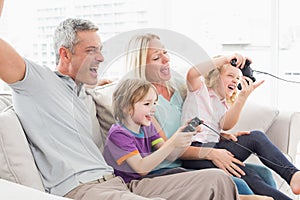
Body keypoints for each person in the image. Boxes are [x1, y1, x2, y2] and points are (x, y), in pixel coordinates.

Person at [0, 3, 240, 200]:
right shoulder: (37, 83)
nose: (102, 57)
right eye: (91, 50)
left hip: (119, 183)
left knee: (218, 180)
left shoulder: (84, 91)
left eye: (101, 49)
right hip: (83, 190)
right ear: (65, 54)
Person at [125, 32, 276, 197]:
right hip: (169, 168)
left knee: (263, 174)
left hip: (192, 158)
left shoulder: (178, 86)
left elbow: (198, 119)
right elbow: (169, 150)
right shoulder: (144, 103)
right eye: (156, 58)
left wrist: (219, 135)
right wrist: (212, 152)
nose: (166, 59)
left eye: (165, 52)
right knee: (236, 183)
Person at [181, 56, 300, 199]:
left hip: (216, 147)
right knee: (249, 176)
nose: (235, 80)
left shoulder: (223, 103)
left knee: (255, 141)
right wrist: (226, 59)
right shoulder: (200, 91)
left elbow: (226, 124)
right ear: (215, 76)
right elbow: (192, 73)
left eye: (238, 78)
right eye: (230, 75)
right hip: (196, 154)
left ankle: (292, 175)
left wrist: (242, 97)